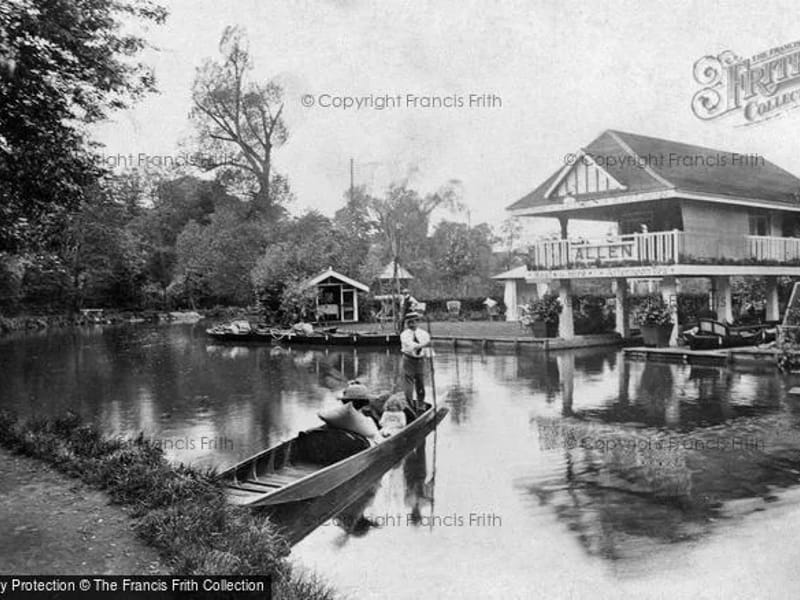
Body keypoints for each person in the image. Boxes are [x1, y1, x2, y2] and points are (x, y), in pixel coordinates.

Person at [399, 311, 430, 413]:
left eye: (413, 322)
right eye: (409, 323)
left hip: (420, 361)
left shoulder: (424, 334)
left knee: (420, 382)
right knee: (408, 384)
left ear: (418, 322)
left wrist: (429, 357)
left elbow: (428, 349)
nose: (411, 325)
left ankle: (420, 404)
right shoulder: (404, 335)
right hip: (408, 360)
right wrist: (424, 344)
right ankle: (409, 405)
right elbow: (411, 345)